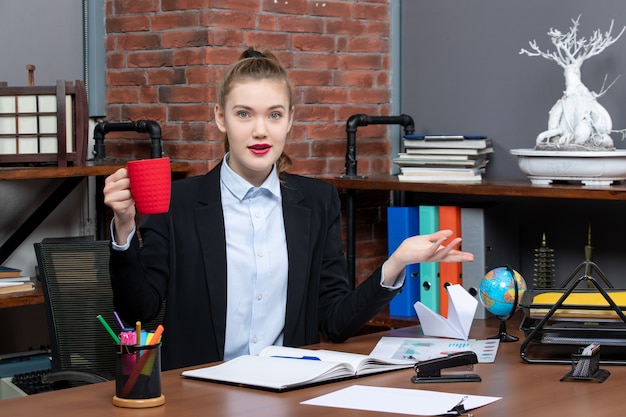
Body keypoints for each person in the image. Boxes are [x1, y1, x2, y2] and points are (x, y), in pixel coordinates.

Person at [103, 47, 474, 371]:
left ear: (290, 119)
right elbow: (141, 311)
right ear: (221, 117)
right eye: (244, 114)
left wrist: (396, 263)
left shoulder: (317, 202)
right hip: (200, 395)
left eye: (274, 115)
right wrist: (124, 229)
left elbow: (334, 322)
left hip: (288, 391)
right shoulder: (179, 203)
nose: (260, 131)